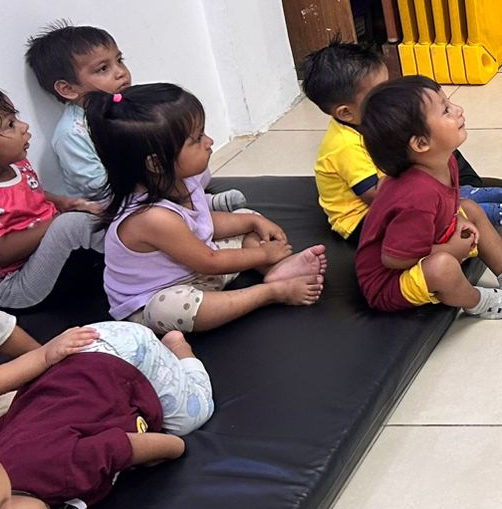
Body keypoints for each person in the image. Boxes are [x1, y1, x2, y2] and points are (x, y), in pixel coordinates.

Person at [84, 84, 326, 333]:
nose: (209, 142)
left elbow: (203, 223)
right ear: (156, 163)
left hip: (196, 271)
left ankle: (276, 270)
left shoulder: (184, 180)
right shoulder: (151, 218)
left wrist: (252, 222)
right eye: (197, 139)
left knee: (244, 217)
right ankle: (271, 292)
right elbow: (209, 262)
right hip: (159, 296)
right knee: (172, 307)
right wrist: (264, 254)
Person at [356, 76, 502, 320]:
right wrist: (449, 248)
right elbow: (394, 259)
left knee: (470, 208)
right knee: (443, 267)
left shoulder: (445, 161)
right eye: (445, 110)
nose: (458, 110)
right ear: (421, 143)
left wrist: (459, 220)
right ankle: (479, 302)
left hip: (422, 245)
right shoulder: (416, 197)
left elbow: (450, 202)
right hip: (388, 283)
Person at [298, 39, 502, 239]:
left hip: (389, 187)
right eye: (378, 93)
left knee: (436, 139)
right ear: (346, 113)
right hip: (365, 219)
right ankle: (465, 208)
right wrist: (421, 187)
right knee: (423, 197)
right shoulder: (344, 146)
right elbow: (377, 197)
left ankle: (463, 191)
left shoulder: (370, 121)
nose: (388, 96)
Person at [0, 321, 215, 509]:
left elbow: (130, 446)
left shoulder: (64, 468)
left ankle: (179, 350)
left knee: (189, 418)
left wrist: (172, 448)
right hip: (78, 362)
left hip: (124, 353)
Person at [24, 22, 245, 212]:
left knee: (194, 169)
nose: (120, 72)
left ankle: (196, 203)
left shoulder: (126, 106)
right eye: (103, 69)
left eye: (119, 60)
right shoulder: (72, 133)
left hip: (151, 184)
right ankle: (195, 206)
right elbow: (98, 188)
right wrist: (150, 182)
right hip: (115, 204)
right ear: (68, 89)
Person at [0, 84, 107, 310]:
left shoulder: (17, 164)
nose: (24, 126)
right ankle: (137, 258)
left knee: (95, 209)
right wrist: (55, 222)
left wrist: (63, 202)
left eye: (17, 118)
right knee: (70, 225)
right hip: (14, 285)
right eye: (10, 124)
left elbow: (31, 194)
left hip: (46, 260)